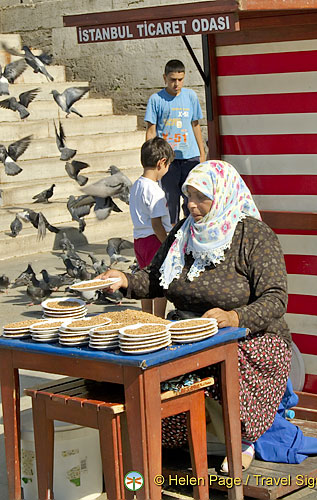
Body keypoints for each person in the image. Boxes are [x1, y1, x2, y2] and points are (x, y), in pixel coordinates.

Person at [100, 160, 292, 469]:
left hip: (249, 336)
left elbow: (275, 299)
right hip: (187, 331)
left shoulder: (253, 235)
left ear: (223, 195)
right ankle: (170, 435)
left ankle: (240, 440)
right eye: (188, 195)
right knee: (137, 365)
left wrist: (234, 317)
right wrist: (123, 281)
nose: (191, 205)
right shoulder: (183, 233)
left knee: (226, 362)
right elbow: (154, 278)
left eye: (201, 197)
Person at [145, 59, 206, 224]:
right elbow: (151, 130)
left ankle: (191, 230)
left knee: (191, 198)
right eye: (172, 79)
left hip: (190, 157)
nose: (176, 84)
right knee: (170, 200)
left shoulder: (191, 96)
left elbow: (195, 125)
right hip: (168, 160)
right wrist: (150, 159)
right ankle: (173, 233)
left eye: (180, 79)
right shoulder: (156, 100)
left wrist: (202, 153)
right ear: (165, 77)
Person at [129, 137, 174, 318]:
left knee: (144, 280)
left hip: (139, 240)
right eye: (168, 164)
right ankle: (159, 319)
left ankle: (146, 316)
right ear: (161, 163)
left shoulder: (136, 186)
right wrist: (168, 244)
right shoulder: (156, 191)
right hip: (154, 241)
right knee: (160, 282)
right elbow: (156, 224)